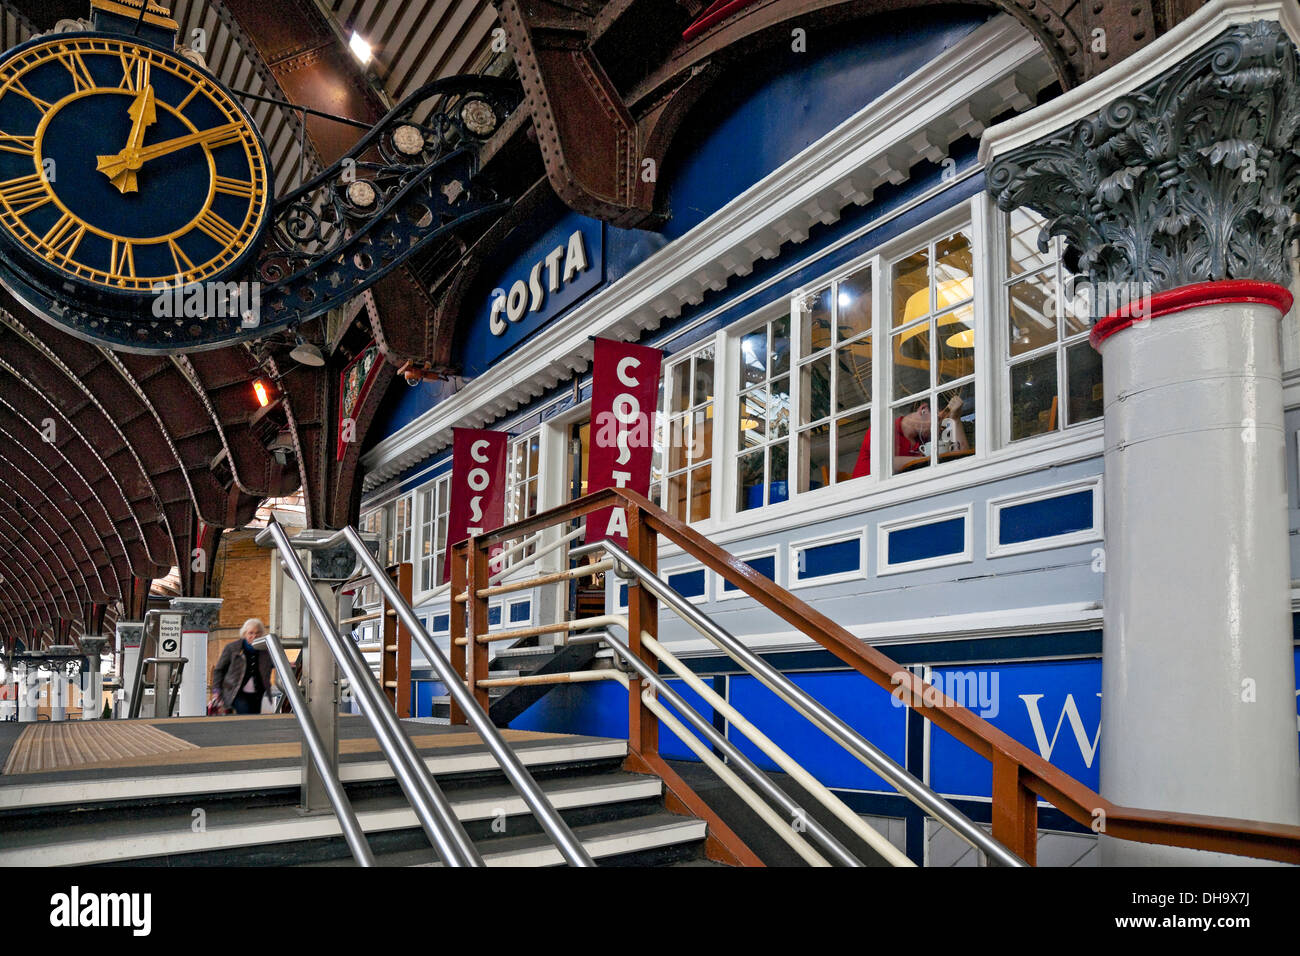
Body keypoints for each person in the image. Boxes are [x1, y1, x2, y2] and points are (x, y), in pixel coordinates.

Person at [852, 394, 967, 478]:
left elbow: (962, 457)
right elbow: (886, 463)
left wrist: (955, 419)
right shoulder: (884, 428)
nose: (938, 430)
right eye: (937, 420)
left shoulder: (924, 441)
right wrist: (928, 460)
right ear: (923, 410)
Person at [210, 618, 275, 715]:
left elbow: (273, 663)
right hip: (235, 691)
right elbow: (219, 670)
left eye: (257, 633)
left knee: (254, 717)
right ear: (244, 634)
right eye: (251, 633)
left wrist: (286, 664)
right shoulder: (232, 648)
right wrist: (216, 690)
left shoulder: (265, 650)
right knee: (245, 713)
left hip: (258, 692)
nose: (254, 636)